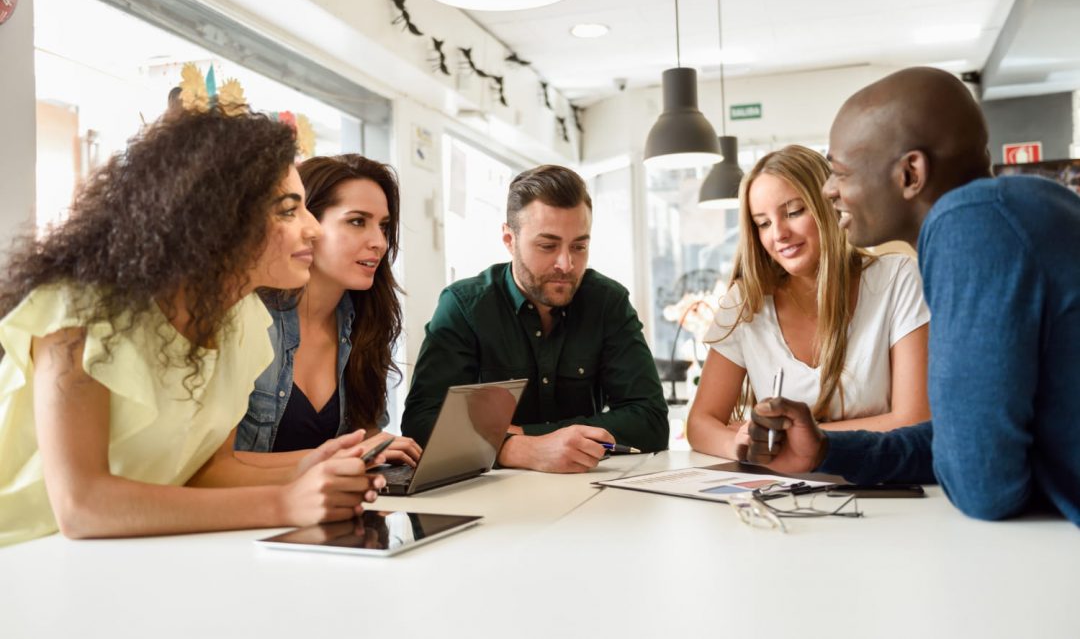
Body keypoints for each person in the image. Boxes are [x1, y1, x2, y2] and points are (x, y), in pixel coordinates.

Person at [0, 109, 386, 547]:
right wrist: (284, 502)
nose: (313, 230)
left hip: (126, 552)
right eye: (288, 211)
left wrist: (315, 466)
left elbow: (207, 471)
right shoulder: (77, 311)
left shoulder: (243, 320)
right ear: (218, 220)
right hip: (20, 557)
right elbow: (82, 506)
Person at [746, 67, 1080, 525]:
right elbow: (958, 441)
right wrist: (824, 448)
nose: (829, 191)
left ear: (910, 173)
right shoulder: (1026, 203)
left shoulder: (970, 224)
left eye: (840, 172)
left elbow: (983, 485)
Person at [401, 165, 668, 473]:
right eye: (547, 246)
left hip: (589, 495)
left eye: (579, 246)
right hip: (493, 503)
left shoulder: (607, 302)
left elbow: (650, 421)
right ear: (508, 239)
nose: (566, 264)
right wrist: (517, 449)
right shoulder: (465, 307)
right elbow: (421, 424)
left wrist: (525, 434)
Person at [687, 145, 930, 461]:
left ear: (828, 204)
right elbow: (700, 423)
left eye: (793, 212)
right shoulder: (745, 302)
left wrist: (798, 439)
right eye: (763, 223)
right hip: (784, 493)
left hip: (882, 484)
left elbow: (914, 421)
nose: (779, 234)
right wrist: (739, 444)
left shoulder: (898, 279)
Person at [233, 155, 421, 466]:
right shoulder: (249, 318)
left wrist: (378, 450)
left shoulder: (366, 322)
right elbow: (212, 468)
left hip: (327, 509)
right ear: (306, 224)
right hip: (247, 512)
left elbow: (364, 438)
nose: (379, 242)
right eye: (357, 221)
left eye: (384, 226)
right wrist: (345, 457)